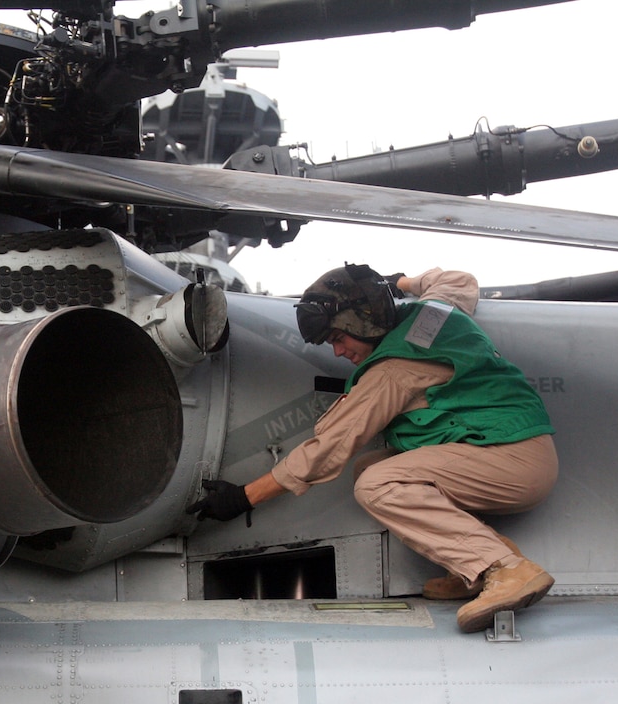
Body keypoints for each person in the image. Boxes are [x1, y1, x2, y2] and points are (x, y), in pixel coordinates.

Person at [188, 264, 558, 634]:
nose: (337, 350)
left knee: (377, 485)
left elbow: (327, 448)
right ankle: (473, 564)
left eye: (337, 336)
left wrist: (242, 498)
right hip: (508, 448)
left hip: (512, 459)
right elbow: (457, 281)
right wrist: (398, 284)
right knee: (371, 466)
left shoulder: (393, 371)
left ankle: (505, 569)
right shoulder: (428, 314)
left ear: (362, 321)